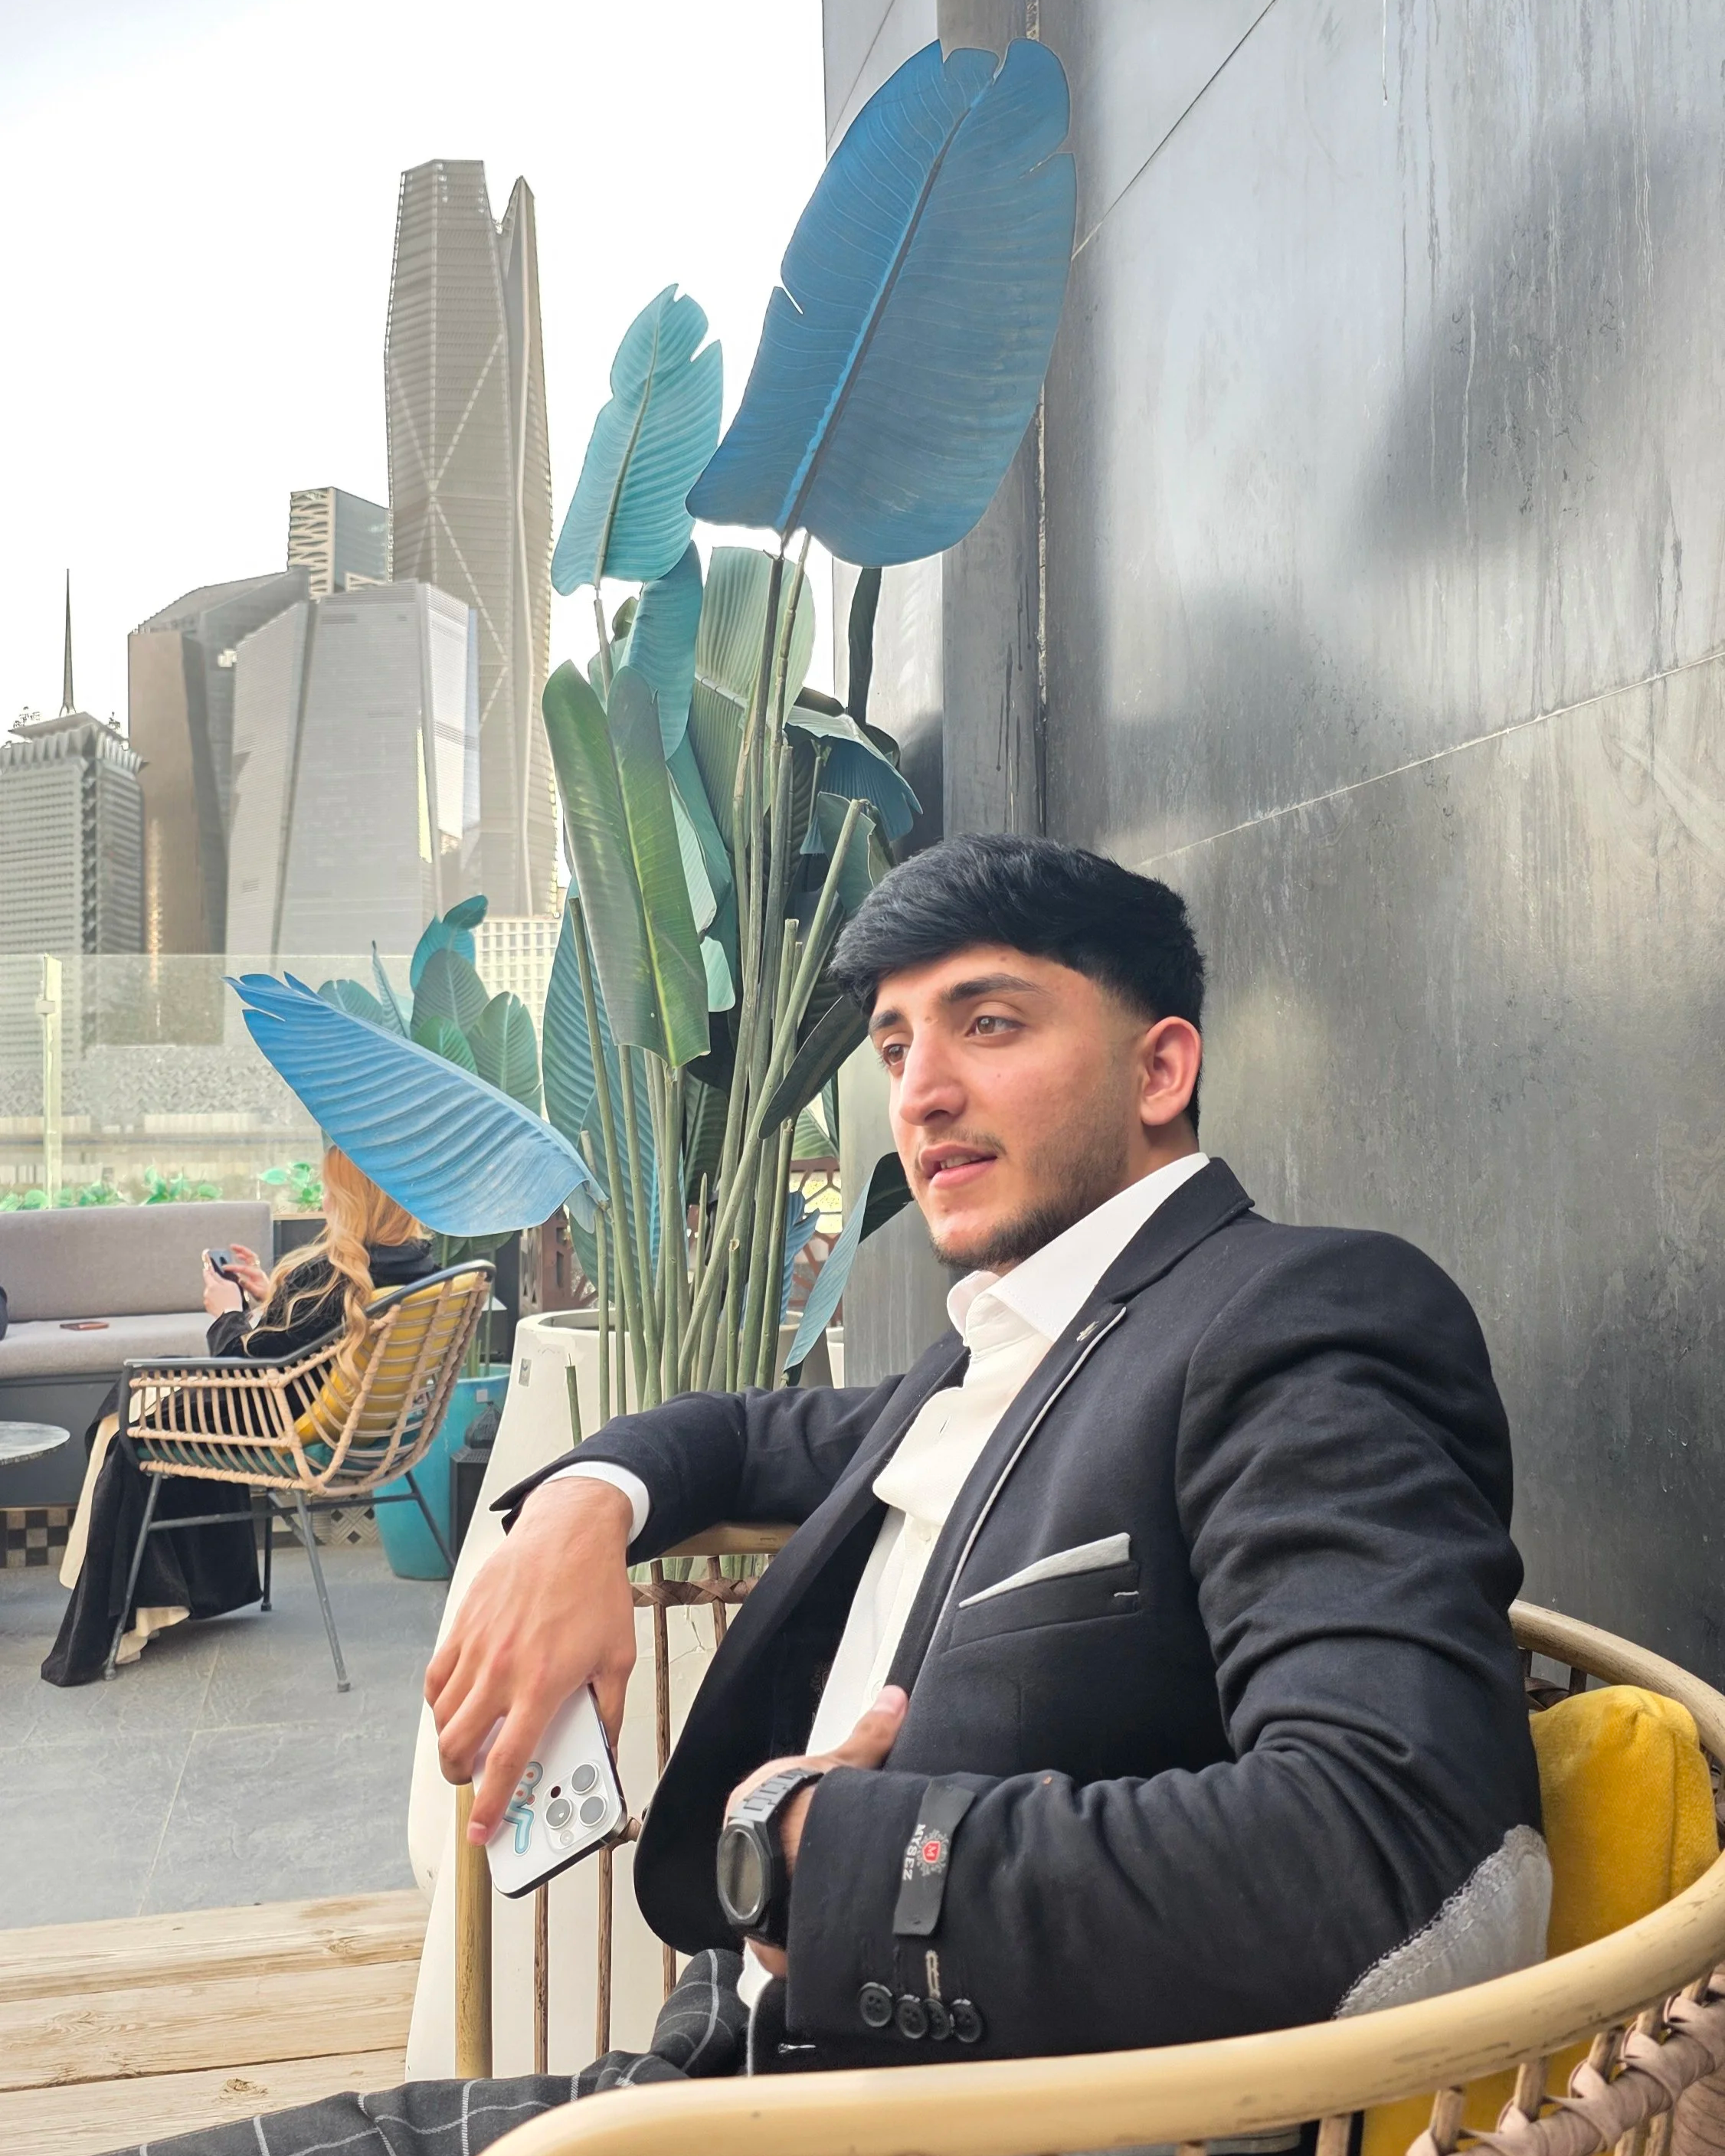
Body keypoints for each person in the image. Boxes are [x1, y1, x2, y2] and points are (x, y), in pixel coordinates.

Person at [111, 836, 1547, 2153]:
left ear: (1159, 1070)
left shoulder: (1294, 1317)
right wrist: (586, 1505)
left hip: (925, 2108)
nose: (917, 1091)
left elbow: (1400, 1858)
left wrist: (817, 1857)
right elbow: (742, 1436)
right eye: (893, 1042)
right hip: (730, 2068)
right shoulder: (1009, 1344)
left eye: (989, 1023)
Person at [45, 1147, 434, 1687]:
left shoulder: (334, 1272)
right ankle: (158, 1600)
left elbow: (246, 1364)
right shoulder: (412, 1266)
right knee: (136, 1400)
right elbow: (314, 1341)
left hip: (274, 1421)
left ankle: (122, 1614)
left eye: (330, 1189)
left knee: (126, 1415)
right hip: (357, 1423)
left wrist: (227, 1309)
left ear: (353, 1199)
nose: (322, 1198)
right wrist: (271, 1296)